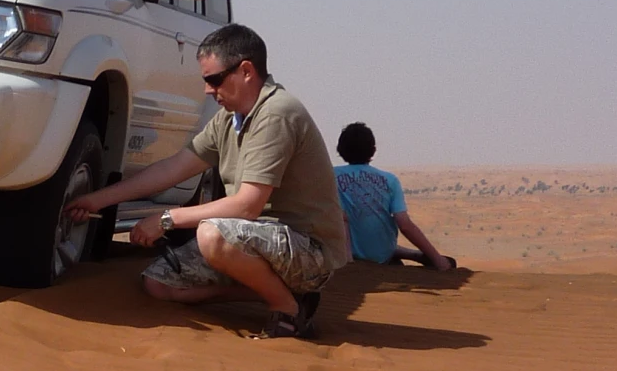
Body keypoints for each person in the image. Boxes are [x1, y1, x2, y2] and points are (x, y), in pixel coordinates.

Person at [67, 24, 348, 338]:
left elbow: (247, 206)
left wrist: (166, 218)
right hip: (255, 242)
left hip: (308, 250)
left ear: (245, 71)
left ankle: (289, 312)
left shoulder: (277, 114)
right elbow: (172, 169)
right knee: (158, 284)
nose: (208, 90)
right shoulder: (229, 119)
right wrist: (98, 200)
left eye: (213, 79)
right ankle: (279, 292)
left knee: (213, 235)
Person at [334, 124, 455, 270]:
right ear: (373, 150)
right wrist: (438, 260)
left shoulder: (330, 176)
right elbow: (404, 224)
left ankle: (410, 254)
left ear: (340, 150)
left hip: (346, 254)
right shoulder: (390, 180)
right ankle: (415, 254)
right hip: (382, 254)